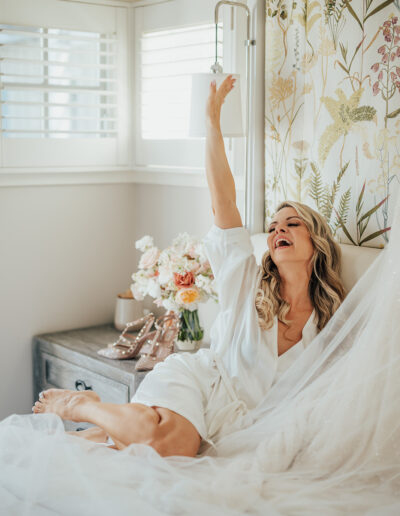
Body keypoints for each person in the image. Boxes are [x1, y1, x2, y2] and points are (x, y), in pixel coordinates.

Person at [31, 76, 345, 457]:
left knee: (109, 453)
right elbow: (224, 203)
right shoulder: (245, 280)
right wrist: (212, 124)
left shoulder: (331, 323)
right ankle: (82, 406)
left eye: (292, 224)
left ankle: (102, 432)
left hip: (240, 426)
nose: (279, 229)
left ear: (317, 242)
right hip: (201, 381)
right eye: (275, 226)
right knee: (168, 443)